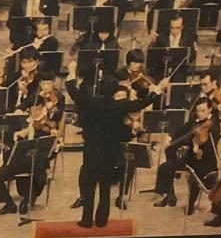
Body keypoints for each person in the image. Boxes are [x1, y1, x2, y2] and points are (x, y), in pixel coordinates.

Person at [69, 74, 162, 228]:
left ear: (99, 88)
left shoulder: (90, 102)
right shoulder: (119, 105)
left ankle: (86, 220)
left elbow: (74, 93)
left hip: (91, 151)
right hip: (109, 152)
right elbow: (141, 103)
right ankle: (101, 220)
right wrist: (155, 92)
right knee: (105, 188)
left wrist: (72, 78)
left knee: (89, 187)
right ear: (113, 91)